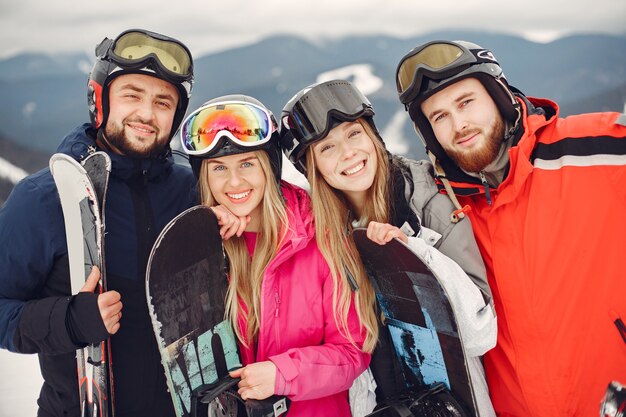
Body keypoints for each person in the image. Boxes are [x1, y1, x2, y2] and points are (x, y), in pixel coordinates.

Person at [395, 39, 626, 416]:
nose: (459, 125)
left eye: (465, 102)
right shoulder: (445, 208)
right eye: (439, 117)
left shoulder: (592, 150)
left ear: (499, 96)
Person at [0, 29, 196, 416]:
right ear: (100, 98)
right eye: (131, 95)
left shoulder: (192, 190)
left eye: (163, 102)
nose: (146, 113)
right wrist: (70, 320)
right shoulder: (46, 198)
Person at [280, 79, 497, 416]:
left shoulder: (428, 202)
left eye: (354, 134)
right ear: (312, 168)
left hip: (452, 403)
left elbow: (480, 333)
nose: (348, 153)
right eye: (327, 148)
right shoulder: (320, 230)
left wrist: (412, 255)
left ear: (372, 136)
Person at [180, 94, 377, 416]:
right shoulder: (207, 249)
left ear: (270, 167)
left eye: (247, 163)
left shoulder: (321, 234)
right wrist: (204, 240)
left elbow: (353, 352)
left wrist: (283, 374)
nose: (234, 181)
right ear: (204, 177)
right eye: (218, 168)